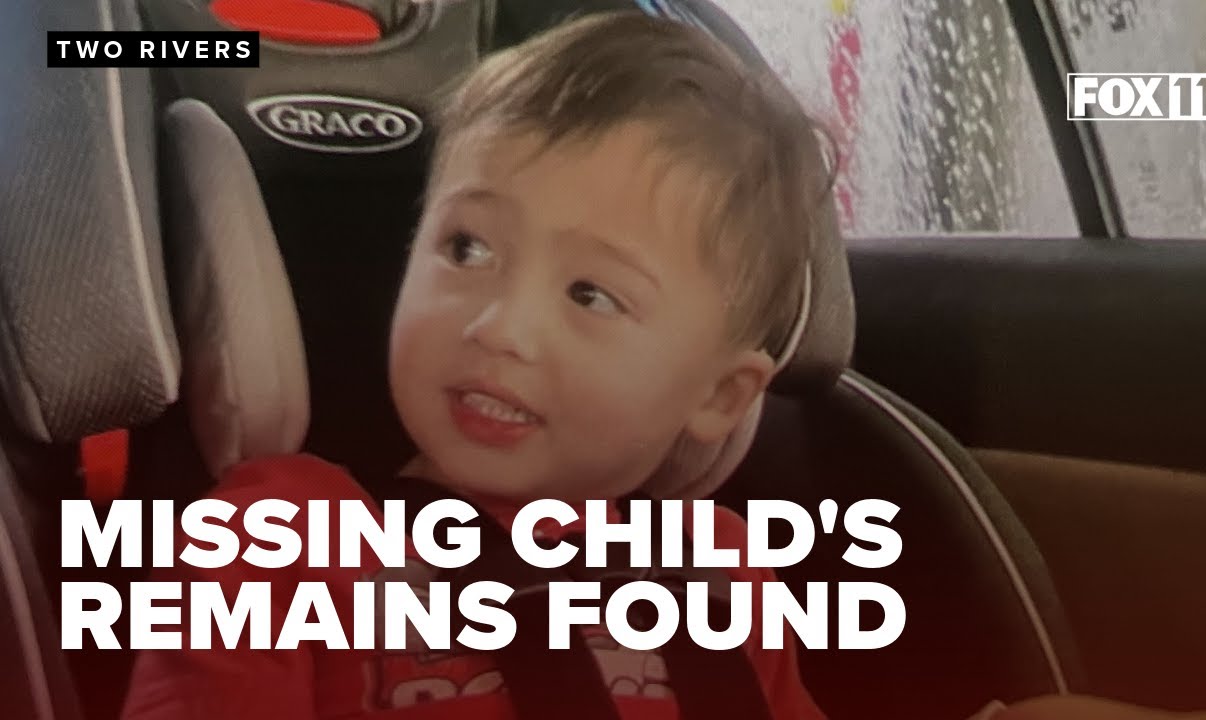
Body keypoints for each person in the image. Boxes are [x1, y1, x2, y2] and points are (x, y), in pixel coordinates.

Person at [123, 11, 831, 719]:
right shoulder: (281, 543)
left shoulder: (723, 569)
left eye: (590, 295)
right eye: (468, 249)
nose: (499, 328)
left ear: (720, 394)